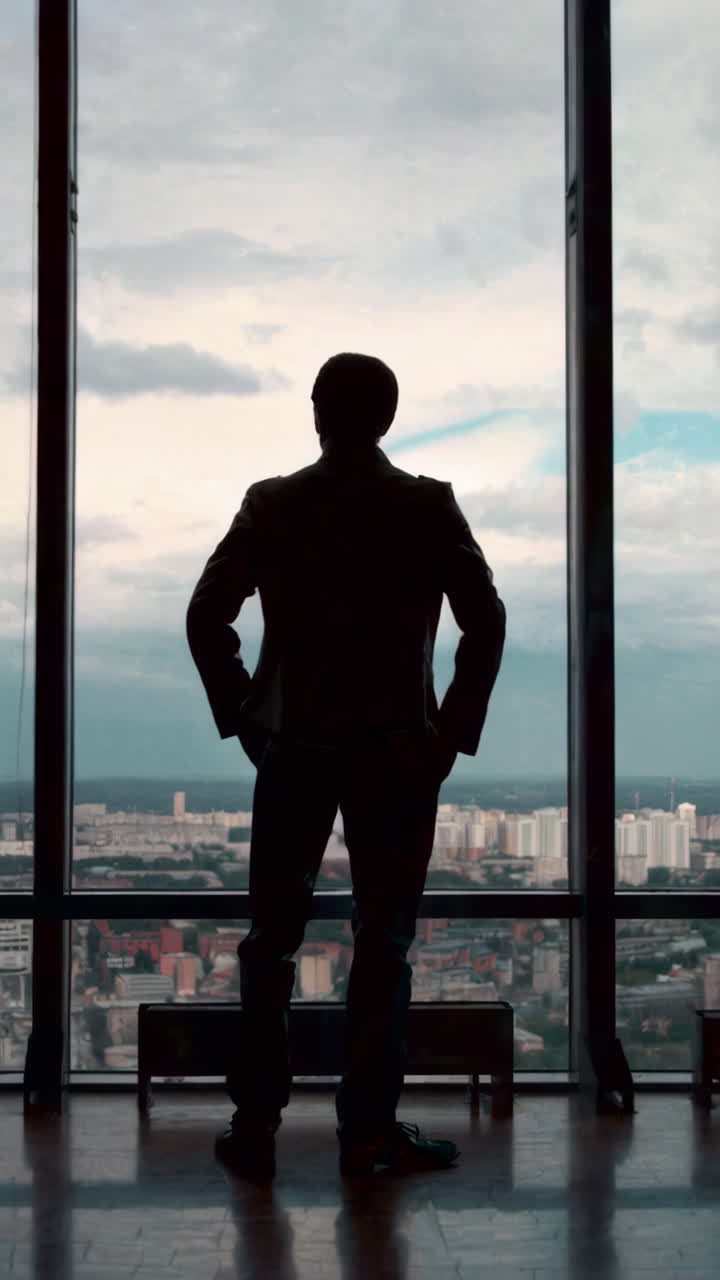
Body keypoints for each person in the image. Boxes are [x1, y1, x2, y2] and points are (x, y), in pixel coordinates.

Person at [186, 352, 506, 1177]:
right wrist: (447, 735)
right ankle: (367, 1133)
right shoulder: (426, 506)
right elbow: (486, 620)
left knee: (270, 941)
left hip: (293, 747)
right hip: (398, 751)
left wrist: (248, 715)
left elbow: (206, 614)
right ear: (388, 419)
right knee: (384, 942)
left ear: (317, 412)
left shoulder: (274, 504)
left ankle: (256, 1126)